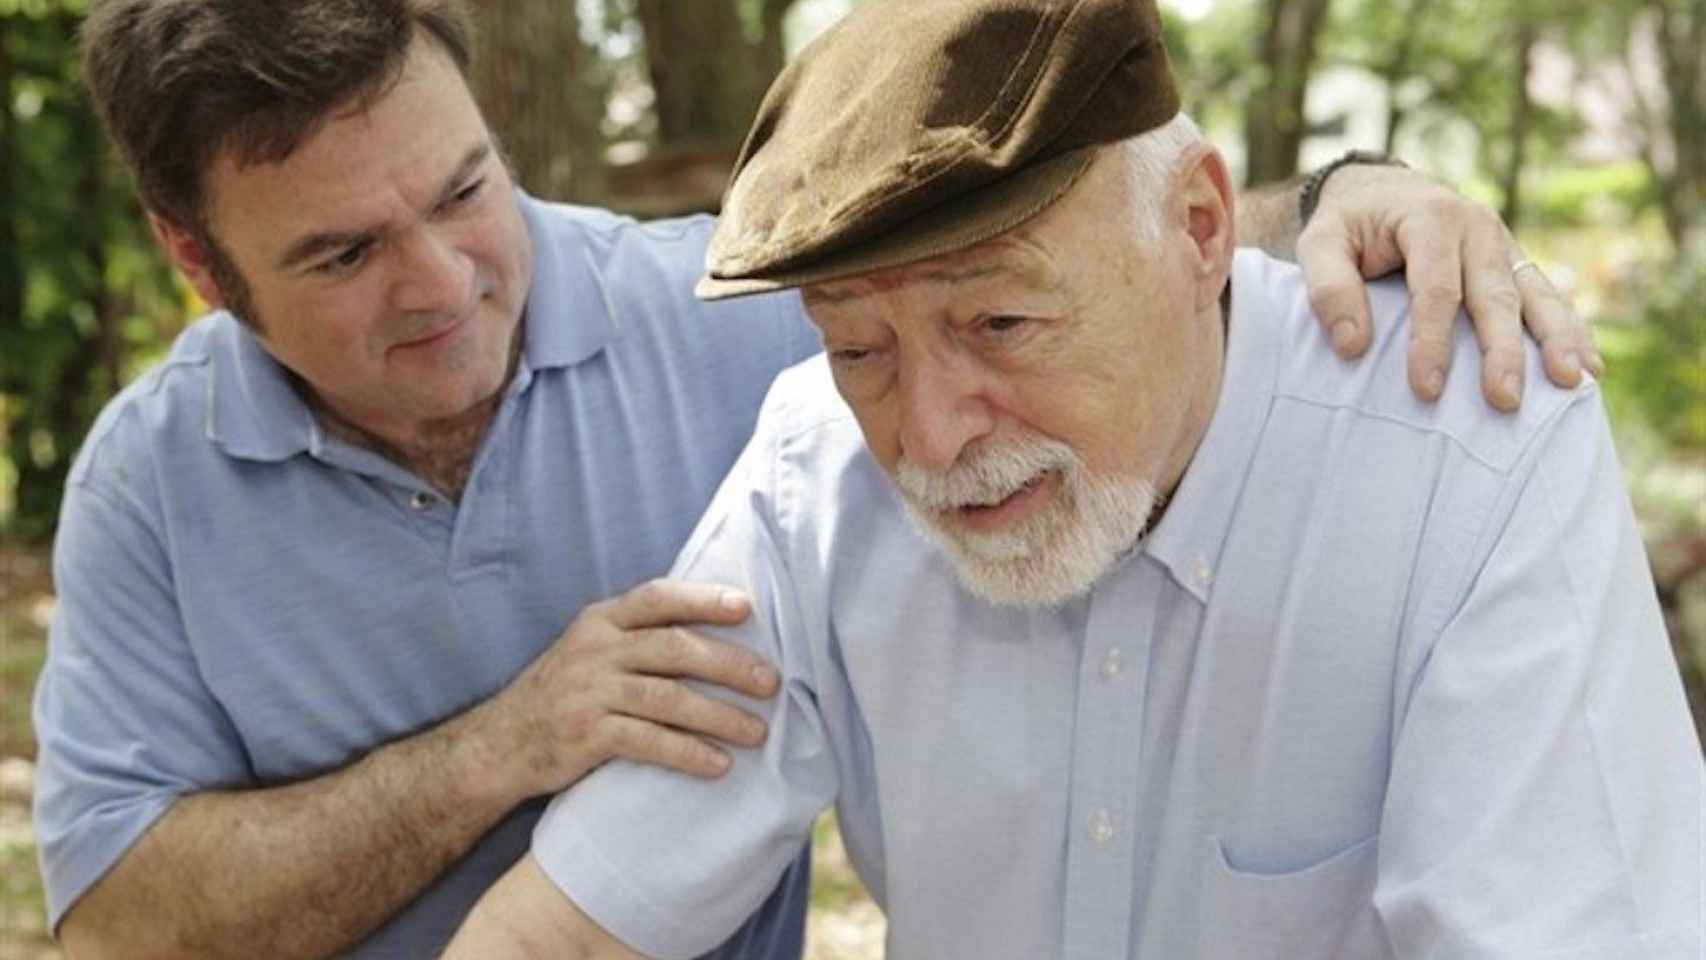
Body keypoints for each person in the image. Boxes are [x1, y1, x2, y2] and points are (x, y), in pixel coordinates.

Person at [36, 0, 1601, 956]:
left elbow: (1047, 251)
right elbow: (113, 927)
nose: (443, 279)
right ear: (198, 261)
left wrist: (1355, 194)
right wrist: (497, 749)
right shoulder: (147, 492)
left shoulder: (735, 331)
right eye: (342, 252)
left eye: (465, 190)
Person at [445, 0, 1705, 957]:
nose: (928, 440)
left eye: (1000, 326)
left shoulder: (1467, 449)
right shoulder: (808, 472)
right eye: (858, 348)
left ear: (1201, 230)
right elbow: (573, 922)